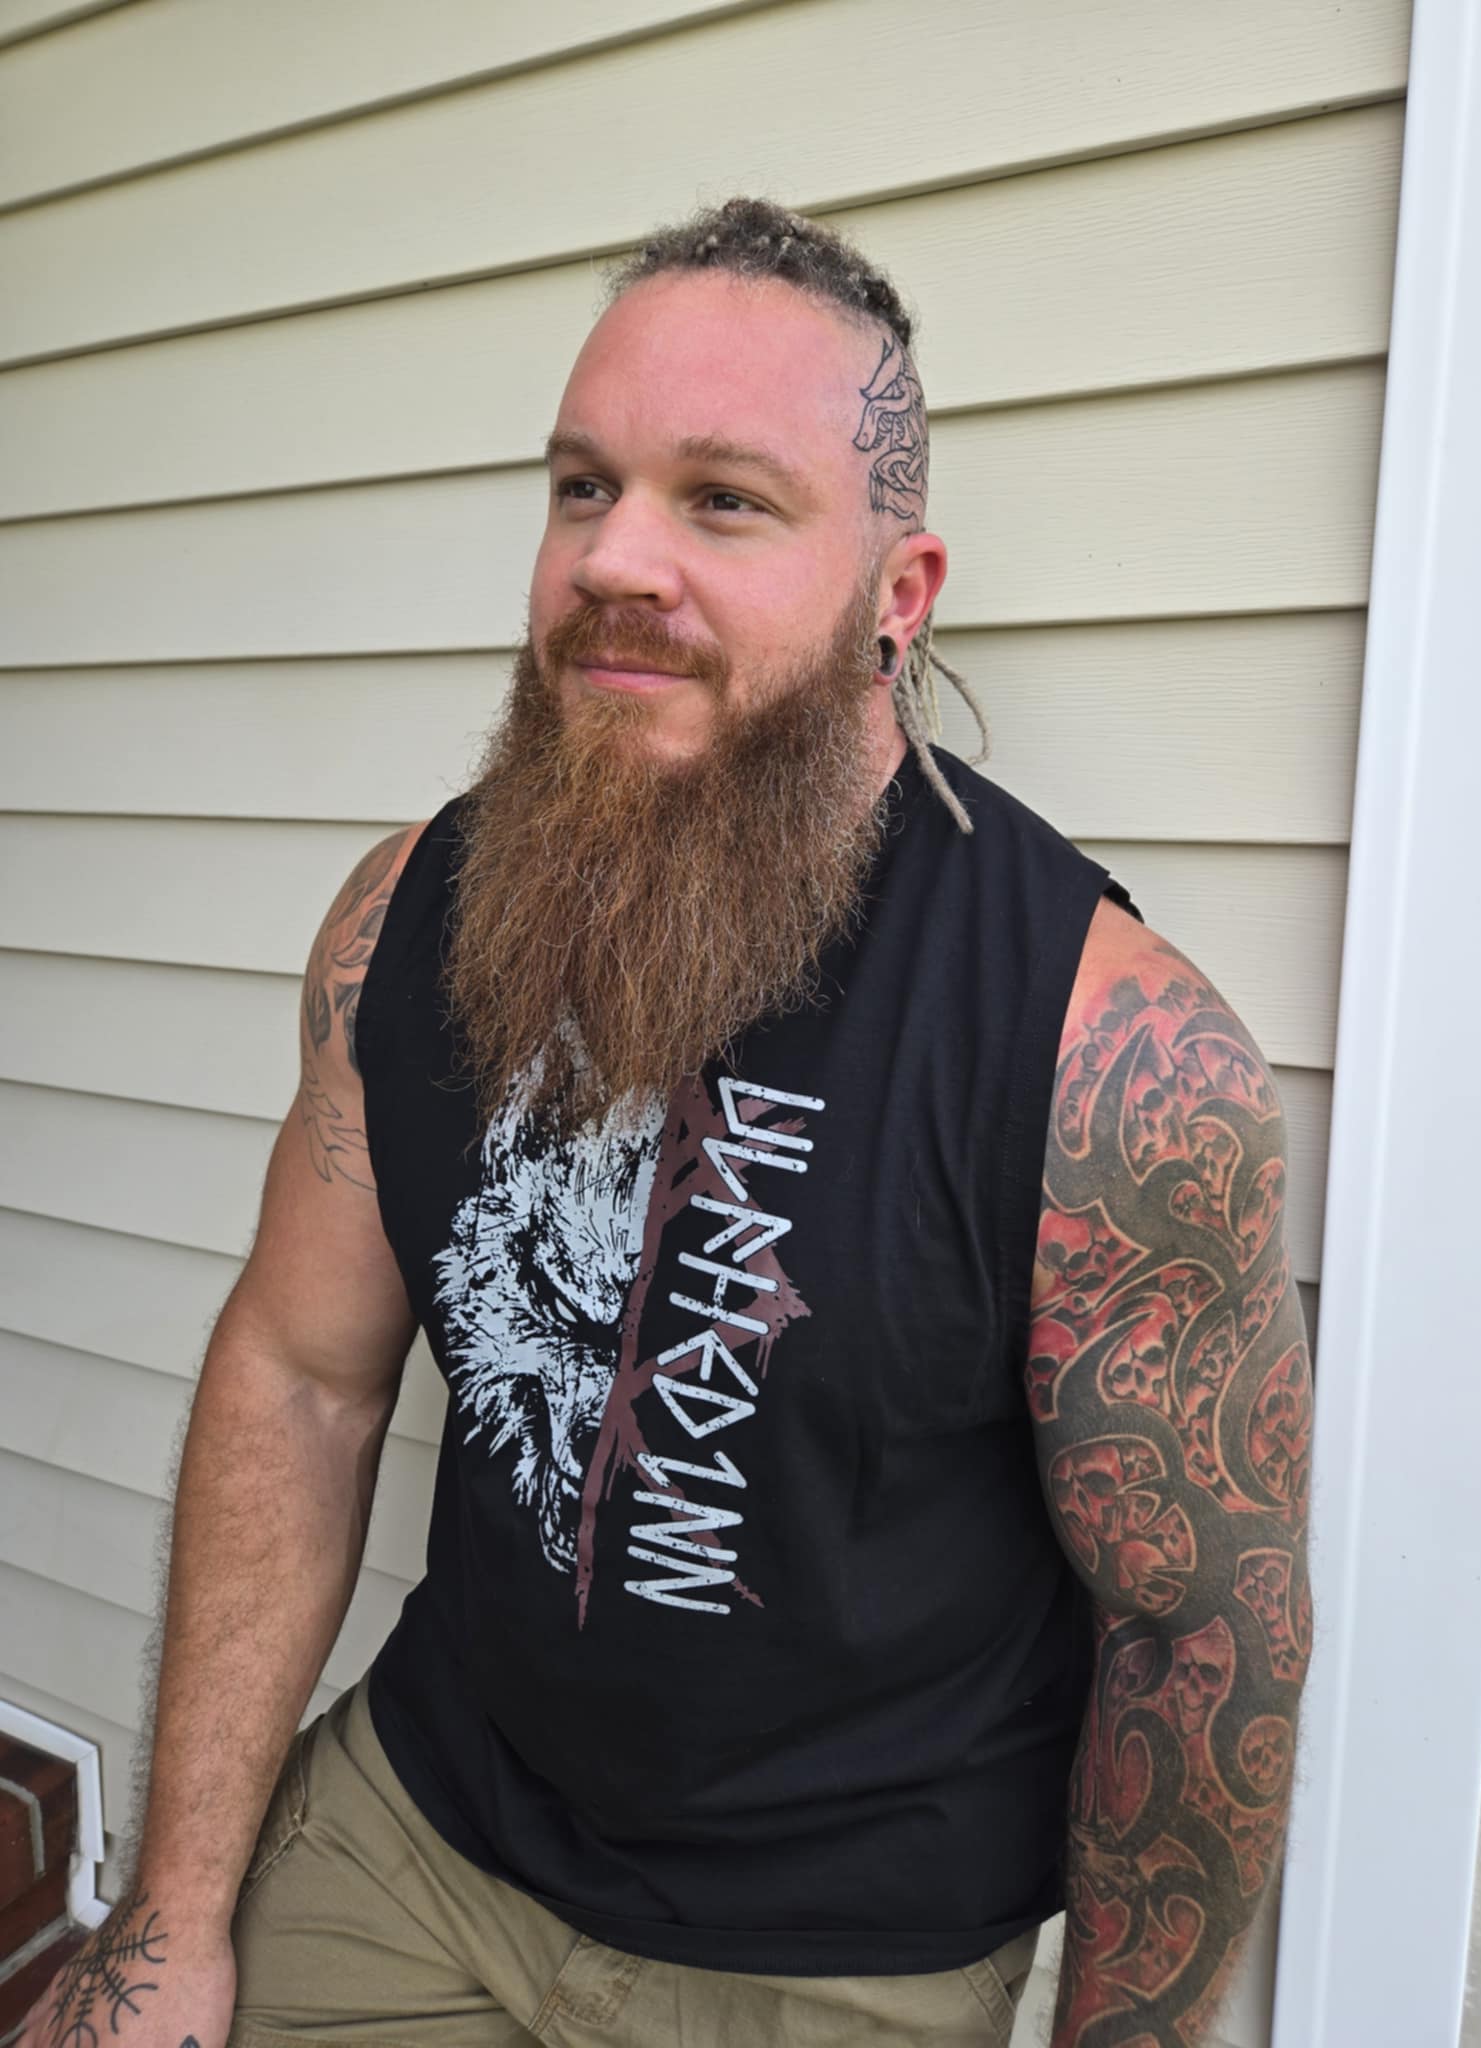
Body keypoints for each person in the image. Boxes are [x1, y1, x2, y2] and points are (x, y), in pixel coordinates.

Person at [23, 198, 1313, 2048]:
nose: (613, 559)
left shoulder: (1112, 1059)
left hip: (839, 1956)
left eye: (722, 500)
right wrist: (167, 1924)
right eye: (582, 487)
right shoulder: (408, 919)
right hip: (420, 1838)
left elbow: (1199, 1641)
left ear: (899, 594)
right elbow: (300, 1383)